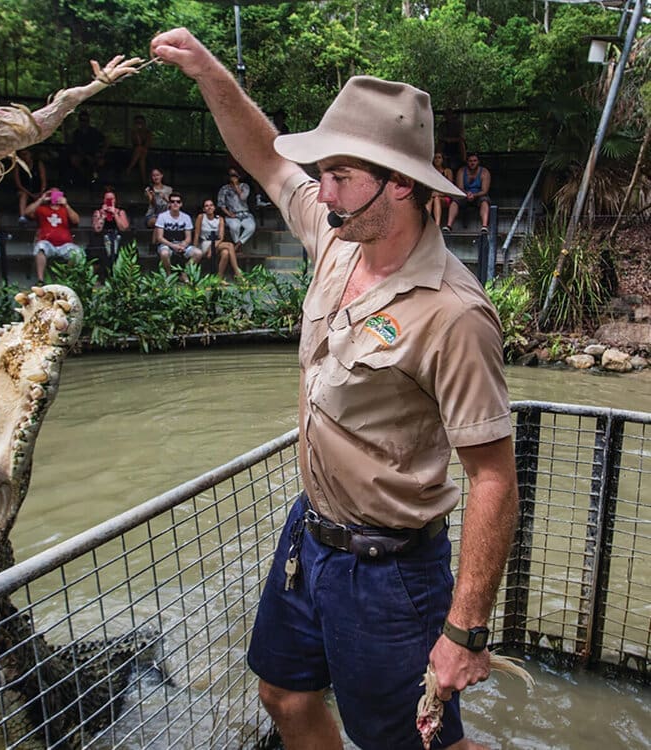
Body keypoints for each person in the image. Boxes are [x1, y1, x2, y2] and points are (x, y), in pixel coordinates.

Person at [151, 29, 518, 750]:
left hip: (392, 572)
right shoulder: (336, 234)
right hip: (308, 535)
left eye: (341, 176)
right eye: (322, 174)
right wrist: (208, 71)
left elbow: (493, 478)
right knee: (283, 696)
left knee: (410, 741)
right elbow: (264, 155)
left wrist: (464, 631)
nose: (321, 191)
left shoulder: (453, 314)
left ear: (401, 183)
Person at [25, 187, 82, 283]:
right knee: (40, 247)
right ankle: (40, 280)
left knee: (76, 253)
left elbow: (76, 220)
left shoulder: (65, 209)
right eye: (52, 194)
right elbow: (27, 212)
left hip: (65, 245)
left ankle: (66, 278)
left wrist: (66, 205)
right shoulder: (42, 209)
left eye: (57, 193)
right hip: (48, 243)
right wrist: (41, 199)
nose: (55, 196)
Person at [193, 198, 240, 280]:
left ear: (214, 207)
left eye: (211, 205)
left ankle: (219, 278)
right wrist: (194, 249)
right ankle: (238, 273)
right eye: (206, 206)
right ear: (204, 209)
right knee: (230, 245)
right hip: (205, 244)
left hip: (216, 244)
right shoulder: (201, 217)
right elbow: (197, 234)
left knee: (225, 253)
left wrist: (213, 247)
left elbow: (221, 237)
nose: (209, 207)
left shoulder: (220, 219)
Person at [154, 192, 199, 275]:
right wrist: (173, 246)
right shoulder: (162, 216)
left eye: (178, 202)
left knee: (198, 253)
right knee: (164, 253)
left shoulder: (186, 217)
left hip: (181, 244)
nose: (175, 203)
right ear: (169, 203)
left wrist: (183, 245)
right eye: (172, 201)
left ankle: (184, 274)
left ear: (181, 204)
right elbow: (159, 237)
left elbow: (188, 238)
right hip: (166, 244)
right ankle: (169, 275)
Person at [446, 153, 492, 234]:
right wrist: (467, 194)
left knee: (485, 201)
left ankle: (484, 226)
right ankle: (449, 225)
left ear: (478, 162)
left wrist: (474, 195)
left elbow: (485, 190)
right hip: (464, 195)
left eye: (474, 161)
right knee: (455, 201)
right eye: (470, 161)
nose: (472, 163)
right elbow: (460, 187)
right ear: (467, 162)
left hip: (479, 195)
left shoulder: (484, 172)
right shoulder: (461, 171)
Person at [217, 167, 256, 251]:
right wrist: (228, 214)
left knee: (251, 227)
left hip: (245, 213)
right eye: (231, 175)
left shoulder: (245, 186)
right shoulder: (224, 189)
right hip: (232, 214)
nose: (233, 177)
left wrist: (236, 185)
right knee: (235, 227)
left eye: (235, 175)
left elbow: (243, 197)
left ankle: (238, 245)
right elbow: (221, 204)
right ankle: (236, 243)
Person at [91, 187, 130, 267]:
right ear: (104, 200)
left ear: (115, 200)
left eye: (111, 199)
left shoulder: (121, 212)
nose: (109, 201)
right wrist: (102, 217)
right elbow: (97, 229)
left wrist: (115, 214)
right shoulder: (98, 212)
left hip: (118, 237)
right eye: (107, 199)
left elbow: (123, 228)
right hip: (102, 239)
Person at [68, 111, 106, 184]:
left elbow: (106, 140)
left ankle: (96, 178)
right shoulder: (76, 133)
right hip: (81, 155)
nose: (84, 123)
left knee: (101, 162)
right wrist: (86, 156)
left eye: (86, 120)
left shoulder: (94, 132)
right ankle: (84, 177)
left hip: (94, 154)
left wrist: (102, 153)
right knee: (74, 160)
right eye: (82, 120)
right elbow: (76, 147)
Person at [13, 149, 47, 226]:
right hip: (24, 190)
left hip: (38, 190)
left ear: (30, 154)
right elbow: (18, 184)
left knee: (44, 198)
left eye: (26, 154)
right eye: (22, 155)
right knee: (23, 195)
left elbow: (43, 181)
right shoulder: (18, 165)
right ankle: (22, 217)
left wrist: (41, 192)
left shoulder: (38, 164)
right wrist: (31, 194)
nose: (24, 156)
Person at [430, 151, 456, 227]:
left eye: (439, 157)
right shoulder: (430, 171)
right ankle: (425, 223)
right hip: (432, 195)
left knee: (436, 198)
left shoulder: (447, 171)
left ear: (442, 160)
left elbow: (450, 188)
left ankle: (437, 224)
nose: (437, 160)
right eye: (435, 158)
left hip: (445, 196)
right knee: (430, 199)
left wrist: (439, 193)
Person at [125, 114, 152, 180]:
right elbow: (137, 143)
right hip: (134, 152)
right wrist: (137, 133)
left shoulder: (148, 132)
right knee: (139, 152)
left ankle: (129, 168)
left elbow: (147, 145)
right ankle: (144, 179)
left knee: (141, 154)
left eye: (140, 122)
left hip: (144, 152)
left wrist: (143, 148)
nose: (139, 124)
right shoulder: (133, 132)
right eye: (137, 122)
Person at [439, 109, 467, 173]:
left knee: (461, 144)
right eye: (446, 115)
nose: (448, 116)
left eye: (449, 114)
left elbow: (462, 138)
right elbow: (440, 137)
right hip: (446, 144)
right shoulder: (442, 125)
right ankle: (439, 160)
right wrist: (446, 140)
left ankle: (464, 161)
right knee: (440, 144)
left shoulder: (459, 124)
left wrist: (452, 140)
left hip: (457, 144)